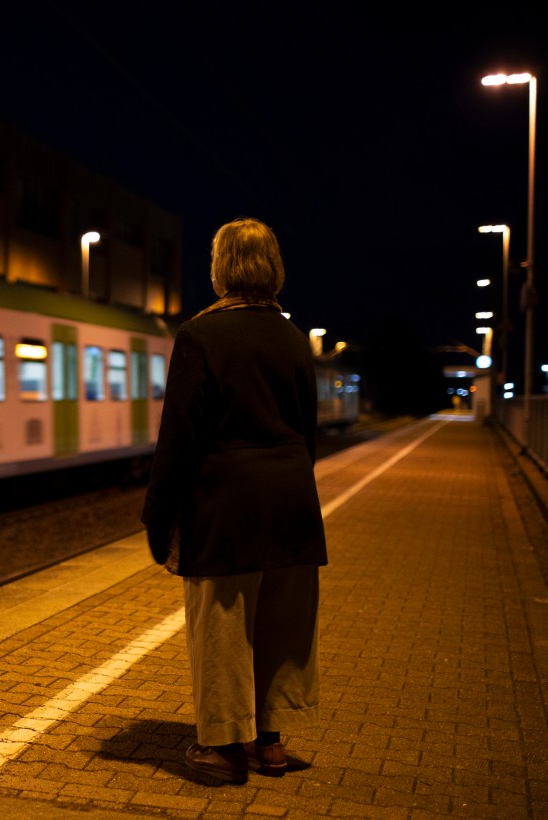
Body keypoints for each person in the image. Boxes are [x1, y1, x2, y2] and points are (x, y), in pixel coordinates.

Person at [142, 217, 327, 785]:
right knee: (280, 624)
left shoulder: (201, 337)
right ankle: (268, 744)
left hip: (226, 510)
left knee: (223, 627)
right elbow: (309, 432)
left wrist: (158, 514)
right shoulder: (294, 340)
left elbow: (179, 438)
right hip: (293, 506)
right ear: (273, 268)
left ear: (221, 269)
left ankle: (221, 750)